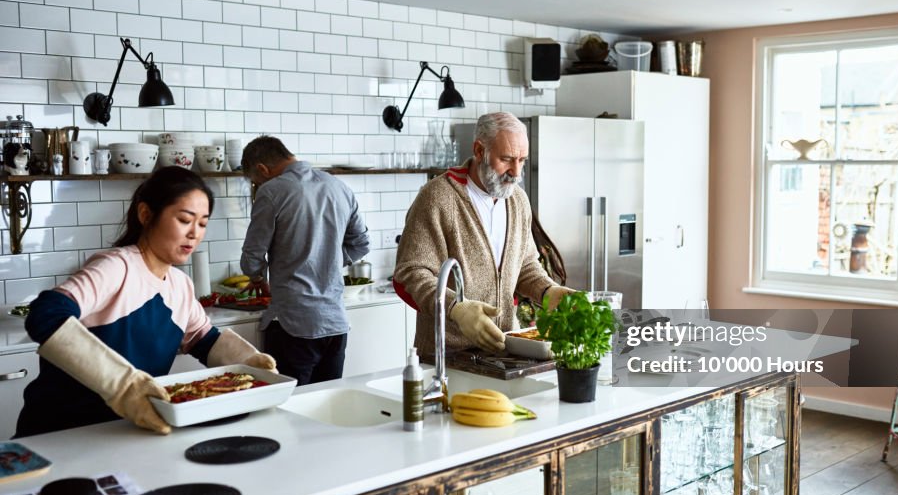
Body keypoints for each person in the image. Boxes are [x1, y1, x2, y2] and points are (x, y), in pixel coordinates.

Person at [16, 167, 276, 438]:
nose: (194, 234)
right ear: (146, 214)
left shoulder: (180, 285)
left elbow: (203, 339)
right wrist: (122, 386)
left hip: (126, 432)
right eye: (185, 220)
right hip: (60, 433)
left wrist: (249, 362)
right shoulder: (117, 267)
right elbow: (46, 314)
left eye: (202, 223)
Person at [394, 112, 573, 355]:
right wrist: (456, 308)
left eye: (522, 160)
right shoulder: (437, 197)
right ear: (479, 151)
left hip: (506, 349)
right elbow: (410, 273)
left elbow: (525, 264)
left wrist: (547, 290)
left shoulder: (517, 199)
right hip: (449, 356)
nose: (516, 172)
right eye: (507, 159)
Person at [240, 136, 370, 385]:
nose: (258, 186)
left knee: (288, 410)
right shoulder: (339, 187)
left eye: (256, 182)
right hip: (336, 324)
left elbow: (252, 257)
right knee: (327, 407)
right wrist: (327, 260)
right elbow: (361, 243)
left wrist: (257, 276)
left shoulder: (271, 191)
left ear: (262, 169)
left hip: (294, 325)